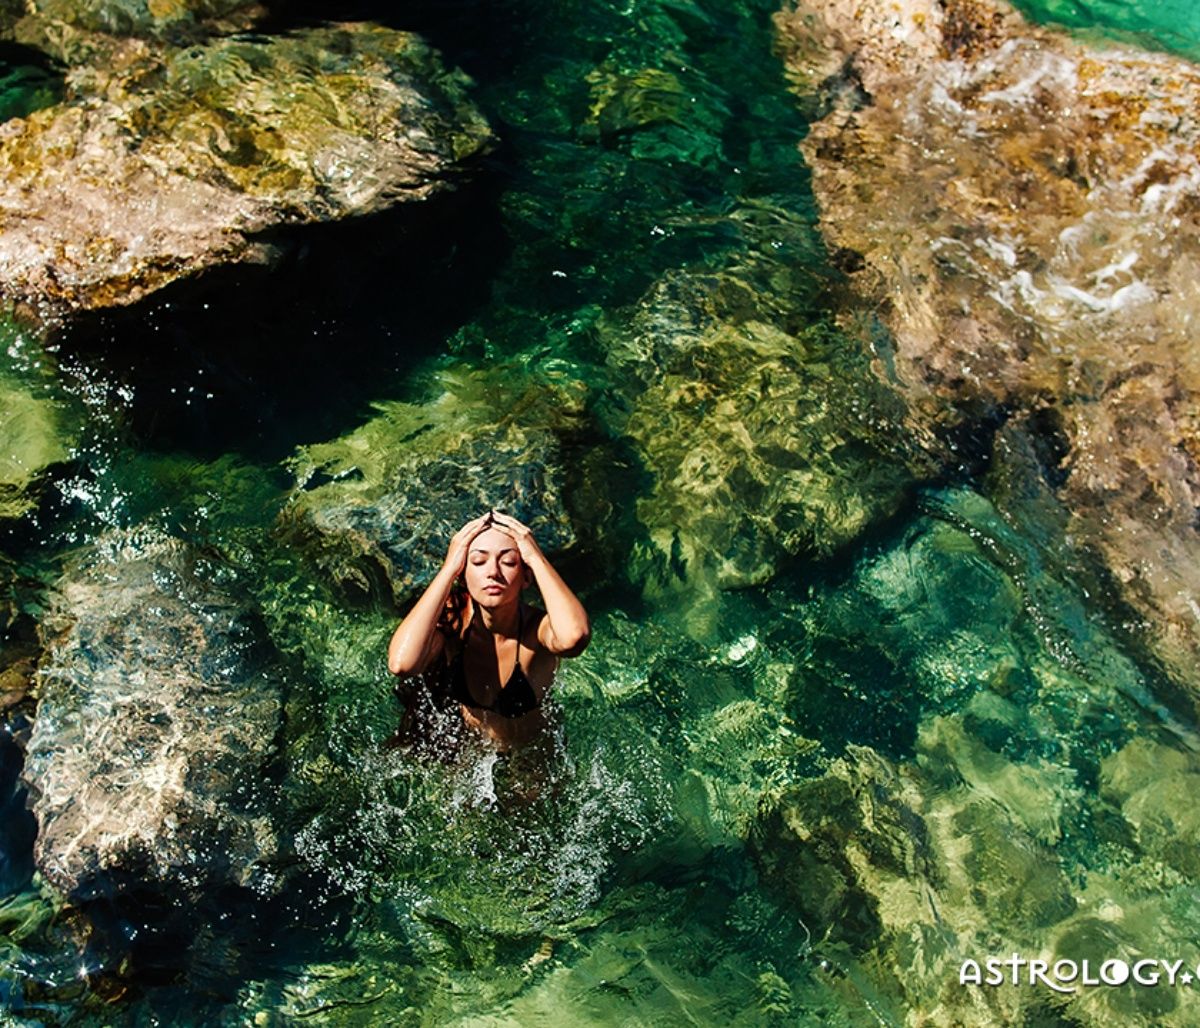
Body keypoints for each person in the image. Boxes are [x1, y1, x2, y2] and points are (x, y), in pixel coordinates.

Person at [387, 510, 591, 753]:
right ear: (463, 577)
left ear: (526, 577)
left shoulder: (536, 631)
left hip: (531, 755)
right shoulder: (455, 621)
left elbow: (574, 637)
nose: (493, 572)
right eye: (478, 561)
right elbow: (402, 664)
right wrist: (449, 569)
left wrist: (535, 558)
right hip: (470, 752)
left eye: (508, 562)